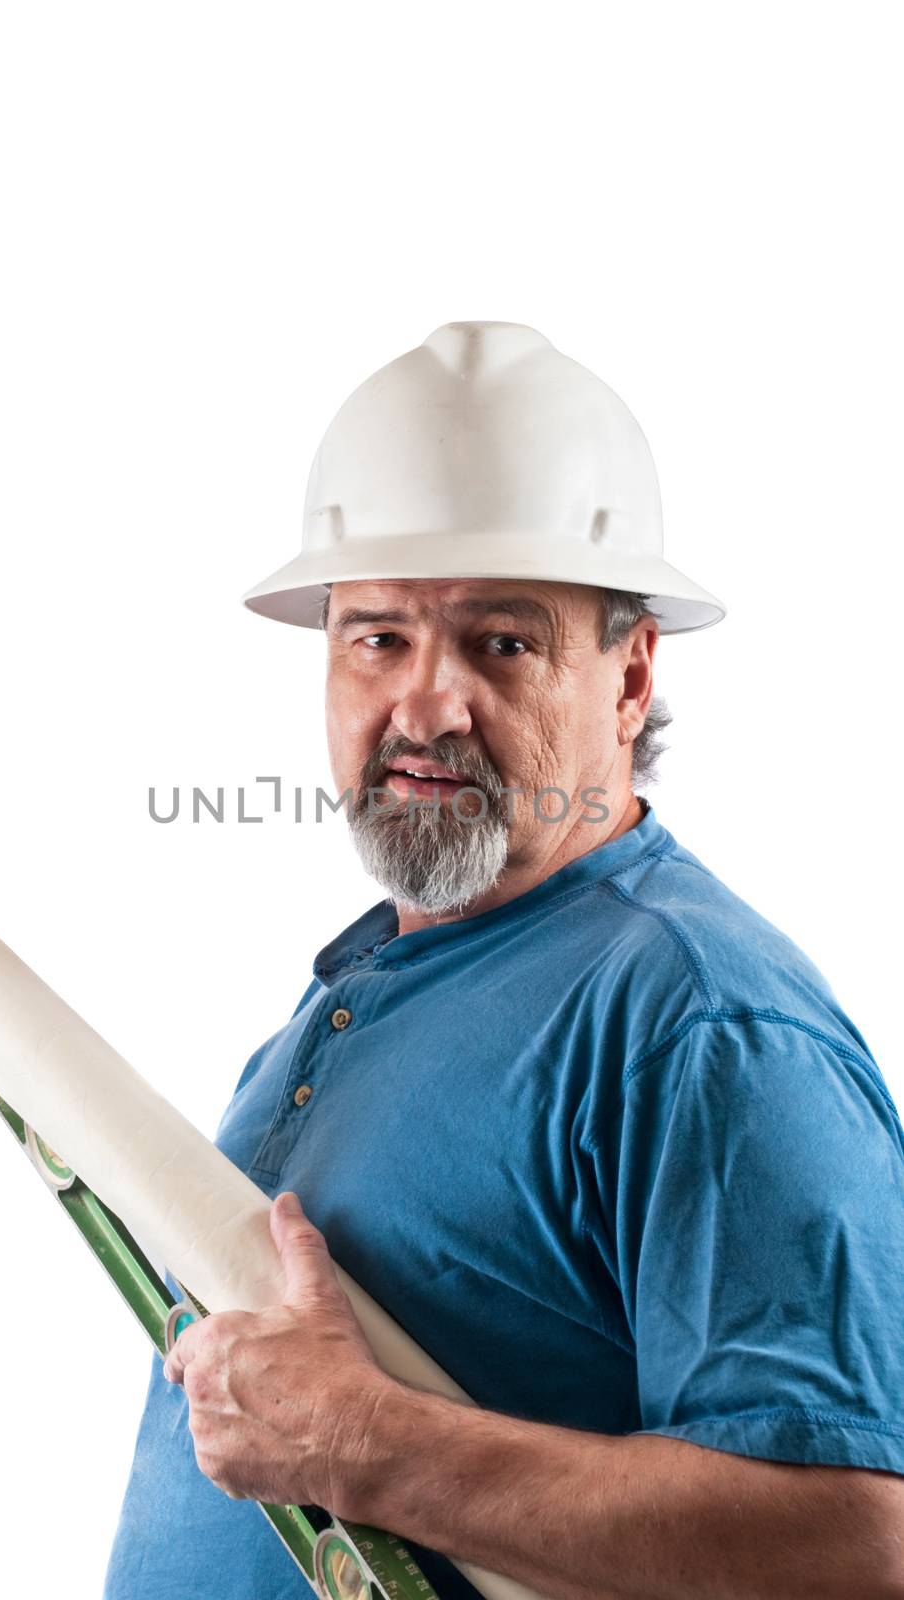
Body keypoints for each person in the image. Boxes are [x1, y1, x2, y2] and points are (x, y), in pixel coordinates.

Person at [104, 323, 904, 1599]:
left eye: (502, 642)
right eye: (377, 638)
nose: (426, 704)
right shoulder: (364, 992)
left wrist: (368, 1446)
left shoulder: (697, 1019)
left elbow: (860, 1544)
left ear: (631, 674)